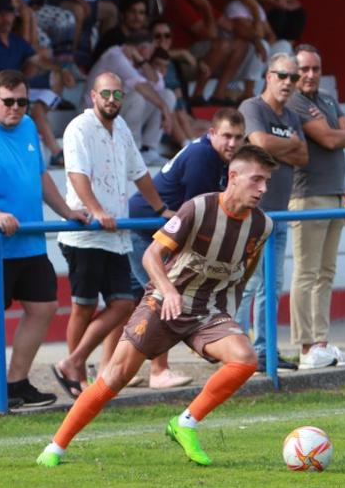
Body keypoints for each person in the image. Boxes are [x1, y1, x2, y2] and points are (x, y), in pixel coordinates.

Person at [35, 144, 278, 468]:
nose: (263, 189)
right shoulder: (198, 209)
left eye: (266, 182)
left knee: (246, 359)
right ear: (233, 176)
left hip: (207, 311)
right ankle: (56, 446)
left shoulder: (262, 226)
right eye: (256, 180)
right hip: (165, 301)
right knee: (116, 376)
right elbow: (151, 255)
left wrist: (230, 311)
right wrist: (168, 291)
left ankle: (185, 423)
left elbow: (245, 271)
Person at [0, 70, 88, 412]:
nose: (16, 108)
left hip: (27, 238)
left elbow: (39, 175)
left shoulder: (28, 126)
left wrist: (66, 210)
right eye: (8, 102)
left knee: (43, 307)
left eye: (22, 102)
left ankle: (16, 381)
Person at [51, 73, 176, 400]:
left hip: (116, 233)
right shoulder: (78, 127)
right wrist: (96, 210)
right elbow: (77, 176)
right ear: (93, 95)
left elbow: (140, 173)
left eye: (117, 94)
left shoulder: (121, 129)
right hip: (86, 234)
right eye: (106, 93)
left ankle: (72, 362)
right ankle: (75, 373)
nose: (111, 99)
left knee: (122, 304)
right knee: (84, 306)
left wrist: (160, 208)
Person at [127, 108, 247, 388]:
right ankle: (158, 371)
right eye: (226, 136)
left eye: (238, 138)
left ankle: (115, 367)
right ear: (212, 133)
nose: (232, 143)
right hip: (148, 230)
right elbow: (199, 209)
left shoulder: (214, 155)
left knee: (128, 304)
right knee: (163, 298)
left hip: (153, 227)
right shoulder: (203, 156)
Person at [286, 44, 345, 370]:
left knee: (326, 272)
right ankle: (306, 349)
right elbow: (332, 140)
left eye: (315, 69)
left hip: (335, 194)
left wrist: (339, 132)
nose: (310, 75)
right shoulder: (294, 102)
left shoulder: (328, 99)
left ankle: (321, 341)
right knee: (306, 272)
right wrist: (339, 133)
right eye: (304, 69)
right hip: (308, 196)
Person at [237, 54, 309, 372]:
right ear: (269, 76)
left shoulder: (292, 115)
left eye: (293, 78)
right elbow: (258, 142)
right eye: (283, 76)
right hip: (251, 214)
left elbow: (304, 156)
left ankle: (265, 349)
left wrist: (280, 147)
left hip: (278, 213)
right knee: (248, 284)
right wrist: (288, 144)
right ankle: (237, 350)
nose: (288, 83)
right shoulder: (252, 107)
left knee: (272, 283)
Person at [0, 0, 65, 165]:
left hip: (16, 93)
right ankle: (55, 152)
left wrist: (61, 70)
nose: (6, 18)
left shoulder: (16, 40)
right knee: (35, 110)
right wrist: (15, 93)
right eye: (0, 15)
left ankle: (45, 121)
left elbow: (38, 61)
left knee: (54, 78)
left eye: (8, 14)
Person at [164, 0, 247, 105]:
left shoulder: (201, 3)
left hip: (199, 55)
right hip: (180, 58)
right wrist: (207, 7)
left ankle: (219, 94)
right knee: (223, 44)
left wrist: (253, 13)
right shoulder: (179, 3)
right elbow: (210, 34)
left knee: (241, 45)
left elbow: (232, 27)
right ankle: (197, 95)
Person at [88, 31, 174, 165]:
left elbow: (157, 86)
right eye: (150, 50)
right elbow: (139, 86)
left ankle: (148, 150)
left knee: (167, 95)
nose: (151, 54)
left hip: (115, 112)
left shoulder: (137, 61)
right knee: (137, 97)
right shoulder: (115, 55)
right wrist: (164, 109)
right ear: (143, 49)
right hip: (95, 115)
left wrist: (141, 60)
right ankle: (133, 151)